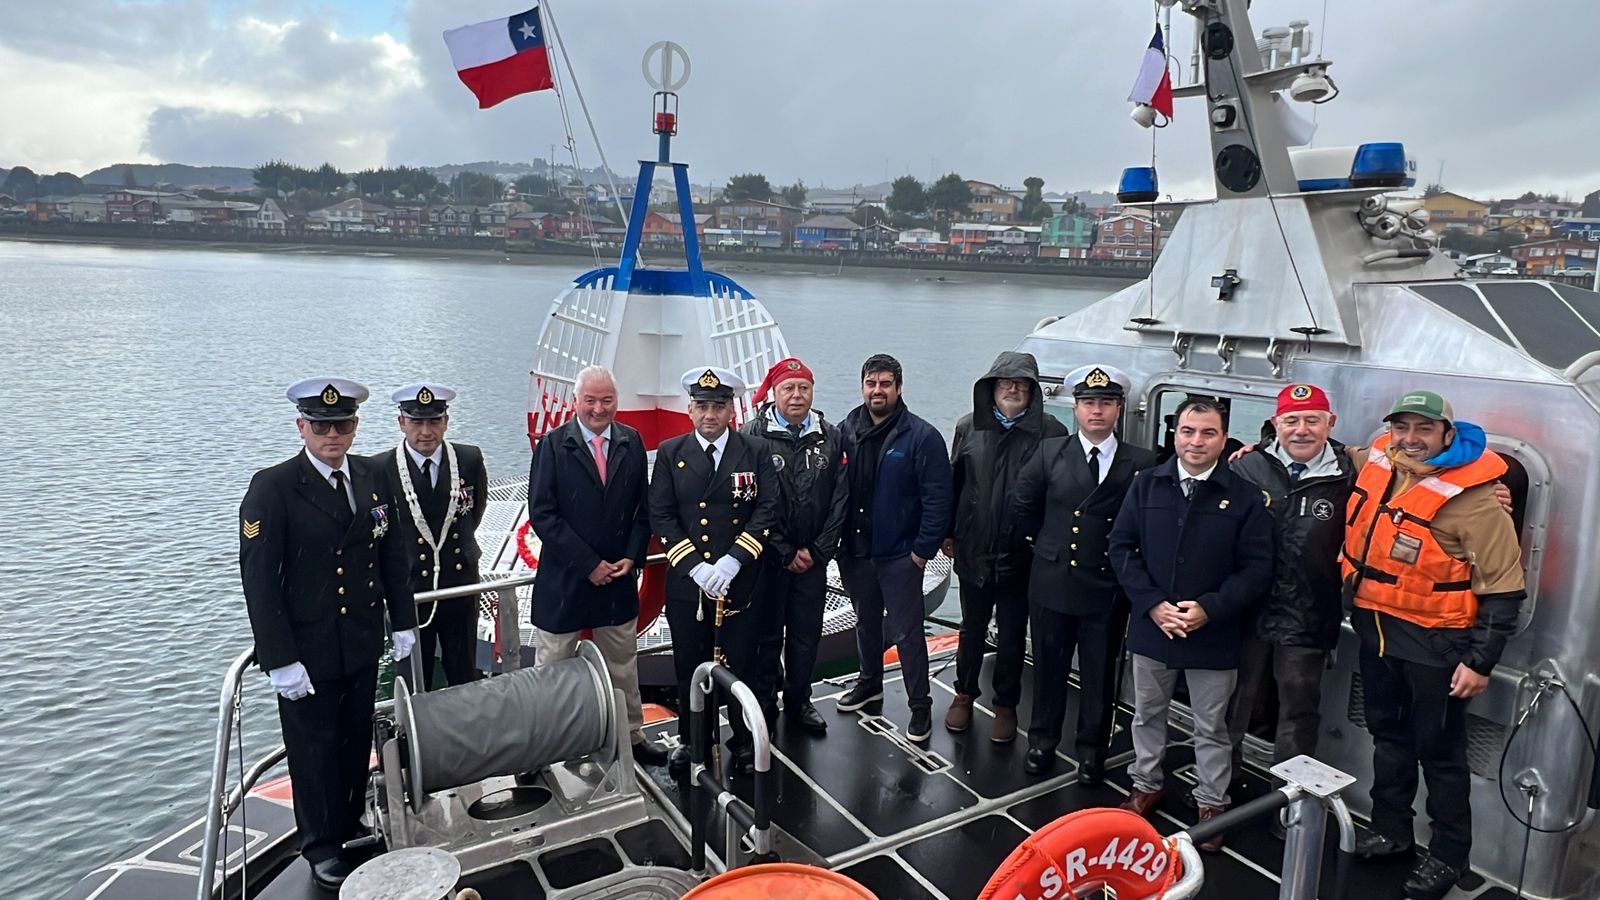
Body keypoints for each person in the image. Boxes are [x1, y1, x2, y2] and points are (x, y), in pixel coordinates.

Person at [1342, 390, 1525, 900]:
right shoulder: (1381, 457)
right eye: (1402, 428)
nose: (1410, 440)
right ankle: (1391, 830)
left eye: (1424, 429)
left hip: (1439, 645)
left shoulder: (1478, 500)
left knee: (1440, 754)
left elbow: (1505, 588)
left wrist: (1480, 661)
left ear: (1448, 433)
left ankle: (1448, 856)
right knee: (1388, 736)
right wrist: (1259, 446)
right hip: (1377, 630)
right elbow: (1333, 452)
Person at [239, 378, 417, 891]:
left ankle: (350, 822)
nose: (332, 434)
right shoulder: (273, 487)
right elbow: (258, 578)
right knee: (312, 748)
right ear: (302, 428)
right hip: (308, 648)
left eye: (341, 424)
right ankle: (319, 843)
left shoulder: (372, 475)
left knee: (354, 735)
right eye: (320, 425)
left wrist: (402, 620)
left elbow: (392, 553)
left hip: (360, 638)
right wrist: (278, 658)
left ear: (356, 426)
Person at [1108, 396, 1273, 853]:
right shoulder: (1146, 486)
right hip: (1152, 629)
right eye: (1187, 431)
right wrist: (1152, 604)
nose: (1196, 441)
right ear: (1175, 434)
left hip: (1213, 635)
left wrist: (1210, 609)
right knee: (1146, 714)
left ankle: (1212, 803)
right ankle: (1146, 783)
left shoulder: (1243, 499)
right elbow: (1121, 548)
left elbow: (1257, 569)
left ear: (1224, 439)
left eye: (1207, 433)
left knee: (1212, 726)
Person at [1012, 365, 1155, 779]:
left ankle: (1092, 749)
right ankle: (1042, 742)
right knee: (1049, 669)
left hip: (1107, 586)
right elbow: (1023, 507)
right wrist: (1047, 548)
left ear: (1118, 409)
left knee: (1099, 674)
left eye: (1106, 404)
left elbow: (1144, 526)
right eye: (1089, 403)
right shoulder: (1049, 452)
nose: (1097, 412)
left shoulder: (1140, 463)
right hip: (1053, 581)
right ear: (1076, 408)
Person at [528, 365, 670, 767]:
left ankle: (631, 736)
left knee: (623, 667)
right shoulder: (553, 446)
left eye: (606, 400)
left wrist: (632, 555)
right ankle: (543, 751)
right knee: (552, 670)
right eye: (590, 400)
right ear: (575, 402)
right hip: (565, 582)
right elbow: (543, 514)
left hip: (618, 580)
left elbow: (642, 509)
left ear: (616, 401)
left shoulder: (631, 441)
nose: (598, 408)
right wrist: (588, 563)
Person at [648, 366, 779, 775]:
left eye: (718, 406)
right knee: (690, 663)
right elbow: (662, 515)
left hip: (740, 582)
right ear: (689, 409)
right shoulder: (671, 453)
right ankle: (693, 742)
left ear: (731, 410)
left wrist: (734, 559)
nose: (710, 414)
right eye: (702, 406)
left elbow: (768, 508)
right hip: (691, 587)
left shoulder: (754, 451)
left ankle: (742, 740)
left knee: (741, 662)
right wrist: (694, 566)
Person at [1224, 384, 1353, 797]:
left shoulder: (1351, 475)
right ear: (1275, 424)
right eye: (1292, 420)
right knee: (1232, 703)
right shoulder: (1246, 468)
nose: (1302, 430)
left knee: (1298, 712)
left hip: (1309, 613)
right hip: (1247, 610)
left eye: (1312, 420)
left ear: (1329, 423)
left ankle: (1290, 802)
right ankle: (1217, 788)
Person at [944, 351, 1066, 743]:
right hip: (974, 548)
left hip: (1023, 555)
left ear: (1032, 391)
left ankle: (1006, 702)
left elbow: (1059, 496)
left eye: (1021, 384)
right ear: (991, 388)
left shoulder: (1052, 432)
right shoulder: (968, 427)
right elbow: (954, 484)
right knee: (972, 628)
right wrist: (948, 533)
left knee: (1013, 632)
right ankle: (964, 692)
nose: (1012, 390)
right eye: (1005, 383)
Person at [835, 354, 952, 744]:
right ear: (862, 386)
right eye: (871, 383)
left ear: (899, 388)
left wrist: (921, 552)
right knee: (865, 623)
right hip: (856, 552)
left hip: (900, 556)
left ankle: (920, 705)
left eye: (886, 383)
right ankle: (870, 683)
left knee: (907, 632)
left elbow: (938, 500)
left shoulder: (922, 436)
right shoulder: (845, 430)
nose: (878, 391)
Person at [742, 357, 848, 734]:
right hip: (770, 560)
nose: (797, 395)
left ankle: (799, 700)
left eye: (803, 387)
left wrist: (819, 550)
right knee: (767, 635)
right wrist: (783, 550)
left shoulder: (830, 435)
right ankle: (765, 702)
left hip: (814, 561)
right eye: (788, 388)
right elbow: (750, 501)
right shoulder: (752, 434)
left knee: (806, 635)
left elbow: (841, 497)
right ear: (774, 393)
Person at [372, 383, 488, 690]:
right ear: (401, 423)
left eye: (434, 421)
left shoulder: (469, 460)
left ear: (446, 422)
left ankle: (467, 737)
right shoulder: (380, 469)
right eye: (416, 421)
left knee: (464, 678)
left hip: (460, 586)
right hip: (409, 592)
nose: (426, 431)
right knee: (413, 684)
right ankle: (414, 739)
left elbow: (473, 514)